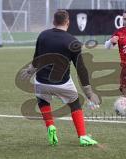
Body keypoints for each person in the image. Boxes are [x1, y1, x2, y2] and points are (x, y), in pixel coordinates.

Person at [21, 10, 100, 146]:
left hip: (41, 81)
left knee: (42, 100)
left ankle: (50, 126)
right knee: (75, 103)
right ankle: (82, 136)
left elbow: (36, 58)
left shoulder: (43, 35)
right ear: (68, 22)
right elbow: (81, 69)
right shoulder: (72, 41)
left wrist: (30, 70)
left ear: (53, 22)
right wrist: (88, 93)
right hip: (62, 83)